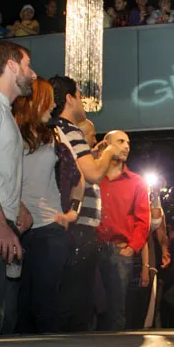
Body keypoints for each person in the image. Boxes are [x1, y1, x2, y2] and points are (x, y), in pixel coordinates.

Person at [49, 76, 123, 332]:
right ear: (69, 99)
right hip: (77, 224)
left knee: (63, 295)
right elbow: (92, 174)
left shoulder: (52, 128)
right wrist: (109, 152)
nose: (83, 102)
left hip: (59, 219)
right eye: (80, 96)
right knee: (77, 299)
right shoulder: (71, 130)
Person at [13, 77, 84, 333]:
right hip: (14, 229)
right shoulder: (10, 131)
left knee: (45, 307)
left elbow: (78, 179)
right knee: (18, 309)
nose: (54, 105)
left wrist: (73, 212)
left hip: (49, 228)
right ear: (34, 101)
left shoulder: (55, 136)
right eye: (49, 99)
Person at [0, 41, 36, 335]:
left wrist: (19, 207)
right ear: (11, 66)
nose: (33, 73)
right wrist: (0, 223)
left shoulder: (3, 111)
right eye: (27, 65)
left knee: (4, 322)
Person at [96, 130, 150, 331]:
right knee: (88, 309)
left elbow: (143, 219)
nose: (127, 146)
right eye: (120, 141)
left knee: (116, 312)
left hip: (119, 251)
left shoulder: (136, 181)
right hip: (91, 249)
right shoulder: (93, 177)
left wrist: (132, 247)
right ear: (106, 144)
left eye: (128, 142)